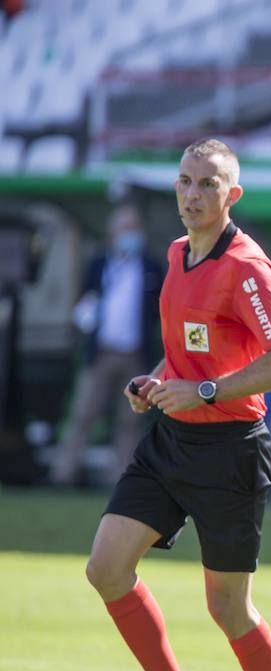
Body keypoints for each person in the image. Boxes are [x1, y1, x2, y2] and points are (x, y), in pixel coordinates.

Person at [83, 138, 271, 671]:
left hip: (230, 452)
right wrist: (156, 381)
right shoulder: (177, 253)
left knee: (228, 607)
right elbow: (188, 356)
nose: (192, 194)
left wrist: (205, 390)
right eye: (185, 181)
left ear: (231, 196)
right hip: (171, 440)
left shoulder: (246, 267)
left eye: (208, 184)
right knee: (105, 567)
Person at [51, 204, 164, 487]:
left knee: (129, 419)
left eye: (134, 228)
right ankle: (63, 474)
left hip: (135, 354)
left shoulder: (151, 266)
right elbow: (84, 302)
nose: (130, 234)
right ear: (113, 232)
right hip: (101, 353)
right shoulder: (99, 263)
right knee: (82, 414)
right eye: (125, 228)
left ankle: (119, 478)